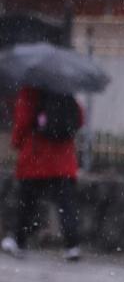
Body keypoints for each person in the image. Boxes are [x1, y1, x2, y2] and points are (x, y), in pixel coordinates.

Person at [4, 85, 83, 260]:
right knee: (66, 205)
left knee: (27, 202)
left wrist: (17, 142)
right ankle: (73, 245)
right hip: (63, 158)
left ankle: (19, 241)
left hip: (36, 156)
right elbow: (79, 118)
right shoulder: (65, 90)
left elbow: (22, 120)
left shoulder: (30, 90)